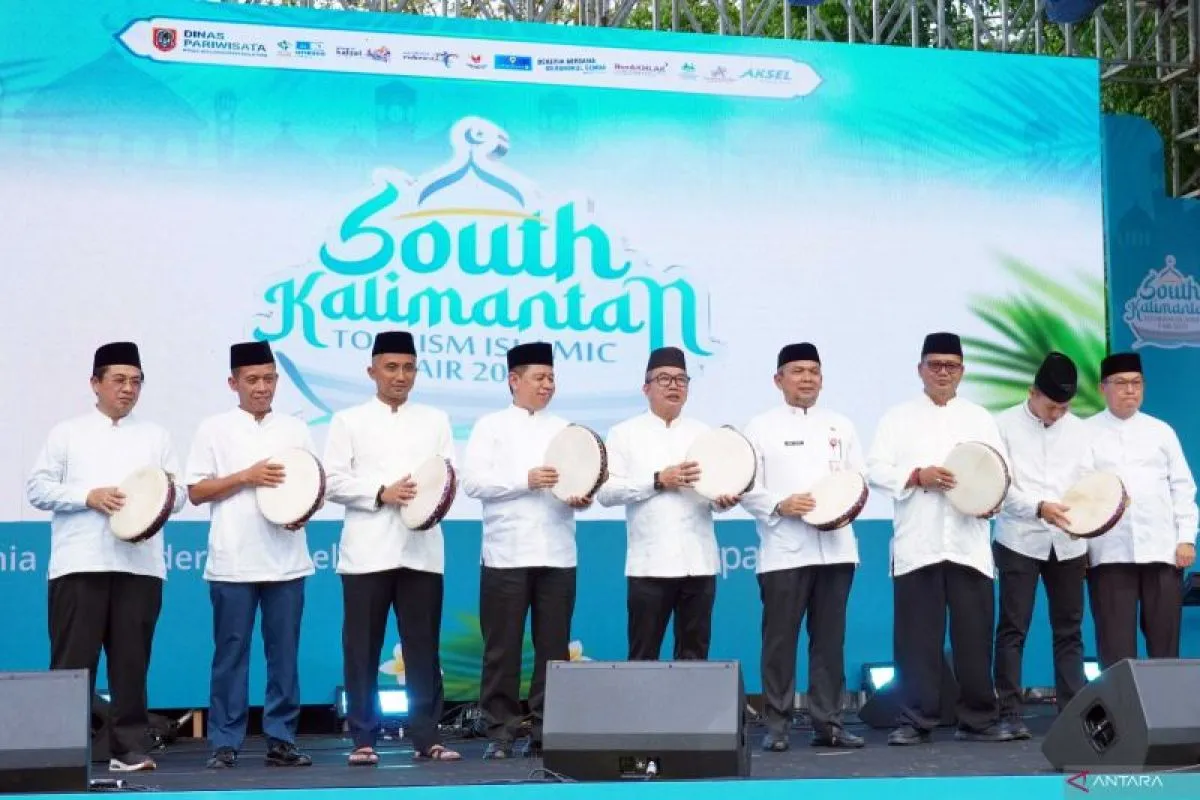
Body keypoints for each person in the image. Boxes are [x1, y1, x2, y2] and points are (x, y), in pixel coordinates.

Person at [26, 341, 186, 772]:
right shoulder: (67, 432)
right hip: (80, 563)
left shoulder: (156, 436)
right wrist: (88, 496)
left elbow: (180, 495)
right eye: (119, 380)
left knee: (132, 662)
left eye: (136, 381)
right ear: (95, 383)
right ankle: (60, 751)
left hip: (140, 565)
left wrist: (156, 496)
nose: (128, 389)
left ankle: (128, 749)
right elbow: (37, 488)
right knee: (73, 663)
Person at [865, 332, 1016, 745]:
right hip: (919, 544)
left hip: (968, 544)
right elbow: (875, 469)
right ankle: (915, 720)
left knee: (974, 638)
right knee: (917, 641)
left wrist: (990, 504)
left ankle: (979, 720)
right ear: (920, 369)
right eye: (935, 365)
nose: (943, 372)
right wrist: (917, 476)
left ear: (962, 371)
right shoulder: (897, 418)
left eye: (951, 366)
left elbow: (1001, 475)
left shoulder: (980, 418)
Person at [322, 331, 462, 765]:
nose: (400, 376)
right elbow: (332, 482)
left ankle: (427, 737)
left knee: (423, 649)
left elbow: (447, 477)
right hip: (367, 552)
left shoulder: (435, 420)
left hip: (422, 550)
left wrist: (426, 500)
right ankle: (363, 738)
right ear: (372, 371)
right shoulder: (347, 421)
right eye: (391, 367)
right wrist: (381, 492)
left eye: (408, 368)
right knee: (361, 649)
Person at [185, 340, 317, 769]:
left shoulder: (296, 429)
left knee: (284, 656)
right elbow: (196, 491)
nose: (262, 387)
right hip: (233, 561)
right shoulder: (213, 429)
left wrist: (303, 513)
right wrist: (246, 476)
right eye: (253, 379)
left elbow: (312, 486)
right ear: (233, 383)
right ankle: (225, 742)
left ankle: (282, 739)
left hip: (287, 561)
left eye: (270, 379)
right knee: (231, 654)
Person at [461, 341, 595, 759]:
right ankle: (500, 731)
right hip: (507, 554)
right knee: (502, 649)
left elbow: (580, 480)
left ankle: (545, 730)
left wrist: (581, 496)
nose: (547, 385)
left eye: (551, 378)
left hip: (558, 553)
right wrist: (526, 480)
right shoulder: (490, 426)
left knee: (554, 649)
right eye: (539, 378)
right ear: (513, 381)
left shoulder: (567, 430)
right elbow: (473, 483)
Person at [740, 342, 864, 751]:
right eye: (797, 371)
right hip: (784, 552)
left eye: (813, 371)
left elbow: (857, 480)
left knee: (829, 642)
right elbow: (746, 487)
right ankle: (776, 725)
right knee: (780, 642)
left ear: (822, 379)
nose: (806, 379)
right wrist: (780, 504)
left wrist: (843, 506)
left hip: (836, 550)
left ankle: (829, 723)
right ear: (779, 380)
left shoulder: (841, 425)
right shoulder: (760, 427)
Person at [596, 346, 737, 663]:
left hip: (698, 563)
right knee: (643, 656)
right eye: (664, 379)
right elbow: (606, 492)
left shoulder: (705, 434)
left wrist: (724, 500)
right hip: (650, 565)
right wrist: (658, 480)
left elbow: (714, 495)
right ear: (646, 388)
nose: (673, 386)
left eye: (681, 380)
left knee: (695, 658)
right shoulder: (624, 434)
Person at [991, 352, 1092, 737]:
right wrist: (1038, 507)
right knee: (1013, 628)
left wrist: (1096, 510)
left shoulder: (1079, 431)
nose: (1058, 414)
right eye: (1051, 406)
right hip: (1019, 539)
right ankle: (1009, 713)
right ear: (1032, 393)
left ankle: (1074, 714)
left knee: (1070, 629)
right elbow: (998, 485)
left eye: (1065, 408)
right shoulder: (1002, 426)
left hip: (1068, 541)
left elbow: (1088, 481)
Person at [1084, 352, 1197, 668]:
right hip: (1108, 552)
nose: (1130, 390)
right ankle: (1121, 702)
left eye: (1136, 383)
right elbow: (1078, 496)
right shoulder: (1084, 433)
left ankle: (1167, 700)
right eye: (1121, 383)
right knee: (1115, 648)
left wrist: (1186, 538)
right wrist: (1080, 549)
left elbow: (1183, 487)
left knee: (1165, 644)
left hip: (1161, 550)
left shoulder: (1161, 432)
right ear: (1102, 388)